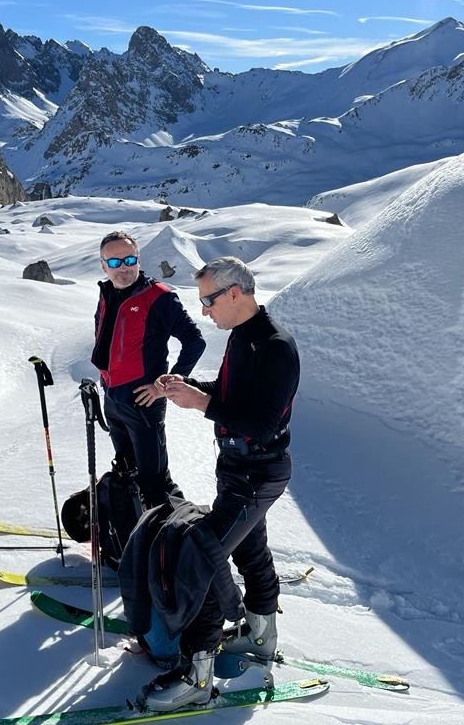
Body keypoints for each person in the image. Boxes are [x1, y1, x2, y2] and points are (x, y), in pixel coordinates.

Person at [142, 256, 300, 712]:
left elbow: (264, 422)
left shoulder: (275, 345)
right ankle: (259, 634)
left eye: (208, 300)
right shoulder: (243, 338)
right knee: (250, 549)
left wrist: (201, 403)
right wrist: (189, 386)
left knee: (200, 555)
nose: (205, 311)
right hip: (238, 470)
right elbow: (233, 395)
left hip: (258, 470)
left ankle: (197, 673)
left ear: (235, 292)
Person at [91, 231, 206, 508]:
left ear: (139, 260)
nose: (124, 268)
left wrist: (164, 386)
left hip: (143, 402)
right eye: (115, 262)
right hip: (113, 399)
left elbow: (195, 341)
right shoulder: (107, 292)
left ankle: (179, 538)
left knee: (156, 481)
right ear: (103, 265)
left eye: (129, 259)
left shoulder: (159, 297)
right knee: (127, 474)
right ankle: (139, 532)